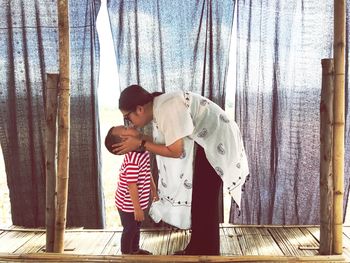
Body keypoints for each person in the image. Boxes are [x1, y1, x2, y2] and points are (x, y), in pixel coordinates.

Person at [114, 84, 249, 256]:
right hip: (206, 141)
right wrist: (140, 139)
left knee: (205, 200)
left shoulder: (166, 108)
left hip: (216, 141)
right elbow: (167, 143)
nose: (129, 123)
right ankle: (197, 248)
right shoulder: (160, 107)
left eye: (128, 118)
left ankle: (207, 253)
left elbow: (176, 151)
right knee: (199, 198)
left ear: (139, 109)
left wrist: (141, 143)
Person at [105, 125, 158, 255]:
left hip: (137, 201)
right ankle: (126, 254)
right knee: (130, 228)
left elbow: (147, 170)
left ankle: (135, 249)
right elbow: (131, 184)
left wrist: (153, 188)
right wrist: (137, 208)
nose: (130, 126)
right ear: (125, 141)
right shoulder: (132, 160)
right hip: (127, 204)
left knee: (137, 227)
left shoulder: (143, 151)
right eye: (125, 128)